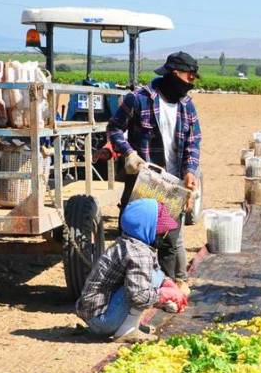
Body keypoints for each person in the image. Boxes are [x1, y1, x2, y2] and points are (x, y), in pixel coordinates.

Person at [107, 51, 202, 297]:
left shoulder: (187, 105)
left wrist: (190, 171)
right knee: (135, 238)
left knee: (169, 241)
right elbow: (114, 129)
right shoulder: (139, 99)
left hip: (173, 184)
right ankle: (128, 291)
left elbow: (193, 142)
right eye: (190, 77)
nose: (191, 82)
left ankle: (164, 292)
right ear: (174, 74)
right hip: (144, 180)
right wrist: (129, 153)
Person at [77, 199, 188, 342]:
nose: (165, 233)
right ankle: (126, 330)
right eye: (161, 230)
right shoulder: (138, 252)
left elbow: (156, 271)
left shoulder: (130, 241)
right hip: (103, 320)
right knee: (149, 281)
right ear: (147, 228)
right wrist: (165, 294)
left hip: (95, 314)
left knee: (154, 276)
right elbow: (138, 296)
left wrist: (168, 284)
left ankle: (128, 325)